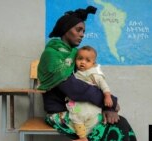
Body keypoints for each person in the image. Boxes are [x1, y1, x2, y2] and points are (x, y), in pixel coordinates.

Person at [37, 5, 137, 141]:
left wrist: (108, 108)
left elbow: (90, 81)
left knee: (119, 123)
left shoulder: (74, 54)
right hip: (61, 112)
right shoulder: (52, 54)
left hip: (81, 108)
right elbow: (74, 88)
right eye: (78, 30)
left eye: (83, 31)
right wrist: (110, 102)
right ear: (66, 30)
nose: (82, 34)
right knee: (113, 128)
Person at [66, 45, 114, 140]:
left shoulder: (94, 74)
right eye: (80, 59)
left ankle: (86, 137)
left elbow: (103, 85)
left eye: (87, 60)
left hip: (91, 106)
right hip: (77, 105)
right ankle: (82, 137)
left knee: (93, 122)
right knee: (75, 118)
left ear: (93, 63)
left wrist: (107, 96)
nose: (83, 62)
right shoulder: (74, 74)